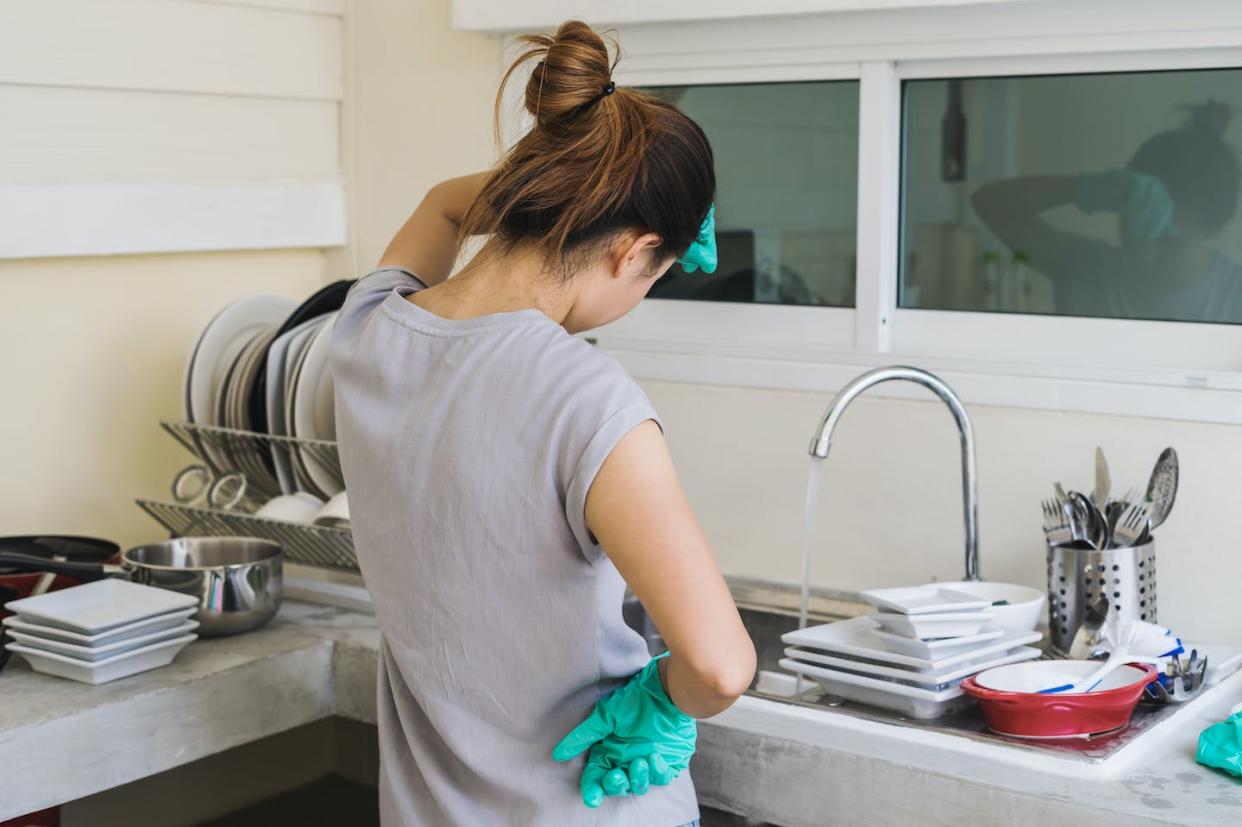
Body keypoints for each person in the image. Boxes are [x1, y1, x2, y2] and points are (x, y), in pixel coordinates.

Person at [329, 20, 757, 827]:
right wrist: (661, 705)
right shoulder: (587, 398)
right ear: (635, 252)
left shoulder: (365, 330)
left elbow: (442, 204)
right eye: (653, 276)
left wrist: (565, 185)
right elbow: (721, 664)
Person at [971, 100, 1242, 323]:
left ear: (1211, 228)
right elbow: (989, 204)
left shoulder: (1234, 297)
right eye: (1139, 231)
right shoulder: (1089, 269)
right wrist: (1083, 188)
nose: (1145, 254)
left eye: (1168, 242)